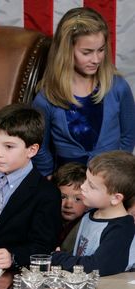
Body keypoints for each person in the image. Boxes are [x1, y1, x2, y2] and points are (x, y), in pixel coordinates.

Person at [32, 7, 135, 177]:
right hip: (68, 187)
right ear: (66, 51)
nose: (96, 59)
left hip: (109, 182)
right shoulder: (46, 98)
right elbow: (39, 146)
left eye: (101, 50)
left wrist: (117, 172)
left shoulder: (118, 87)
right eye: (87, 52)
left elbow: (128, 136)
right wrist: (49, 176)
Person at [0, 104, 62, 269]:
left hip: (18, 275)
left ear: (32, 150)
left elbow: (44, 245)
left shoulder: (47, 193)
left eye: (9, 146)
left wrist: (14, 256)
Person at [52, 150, 135, 276]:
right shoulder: (89, 216)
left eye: (91, 186)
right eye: (86, 180)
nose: (83, 187)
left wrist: (59, 258)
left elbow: (96, 267)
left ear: (116, 198)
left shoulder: (121, 229)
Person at [51, 162, 88, 253]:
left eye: (77, 199)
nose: (68, 205)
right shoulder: (47, 221)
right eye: (62, 197)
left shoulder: (87, 227)